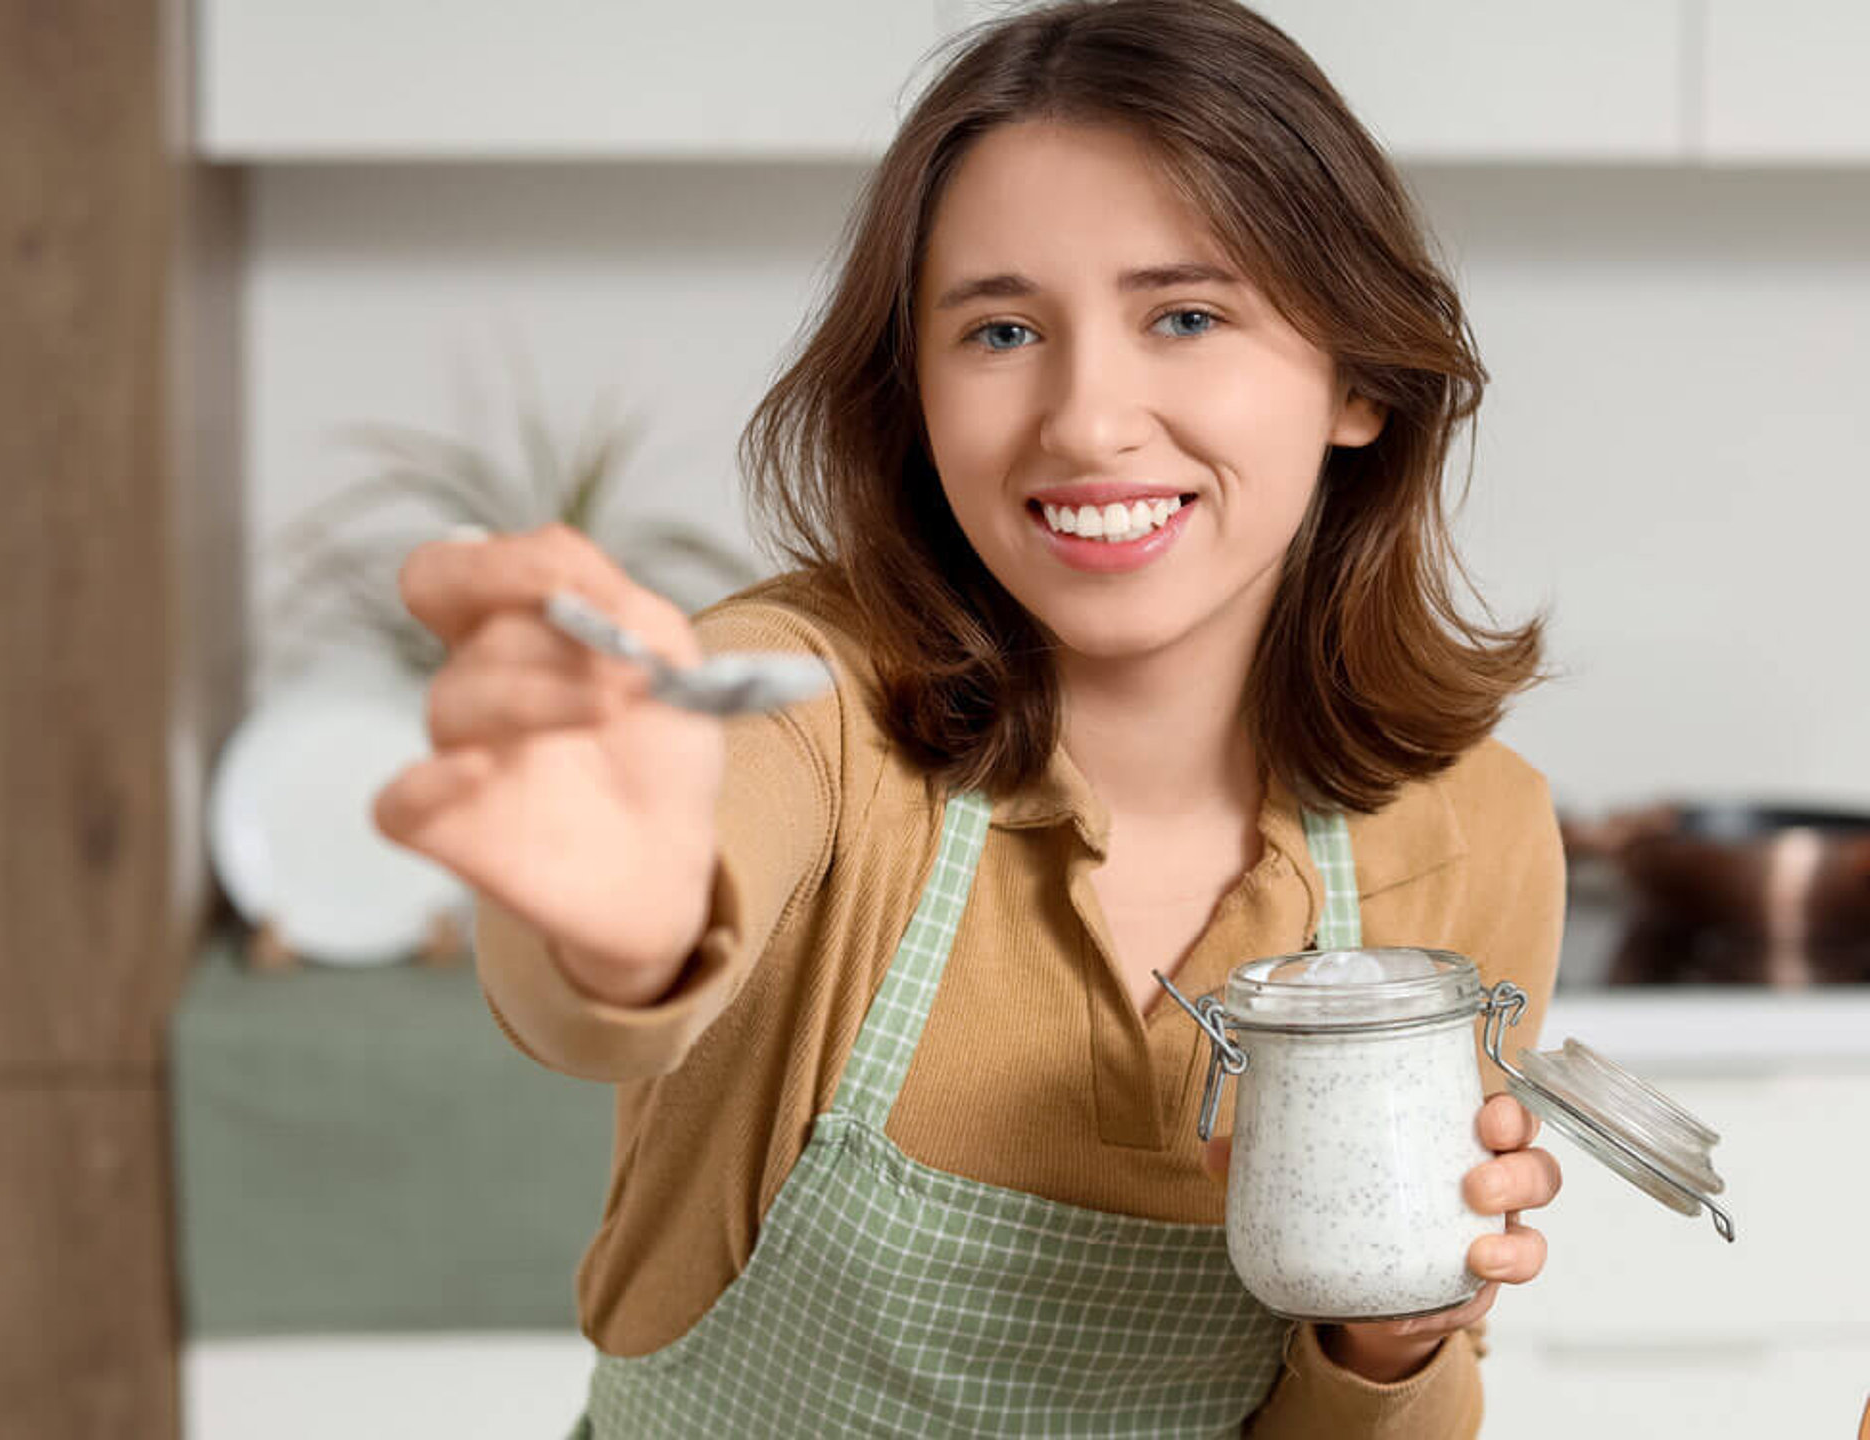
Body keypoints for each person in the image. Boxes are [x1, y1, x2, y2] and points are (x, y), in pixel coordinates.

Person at [373, 1, 1567, 1434]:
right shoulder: (806, 702)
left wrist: (1392, 1336)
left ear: (1359, 381)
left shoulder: (1468, 836)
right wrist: (623, 933)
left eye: (1185, 316)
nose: (1084, 419)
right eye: (1002, 330)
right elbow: (623, 951)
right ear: (916, 394)